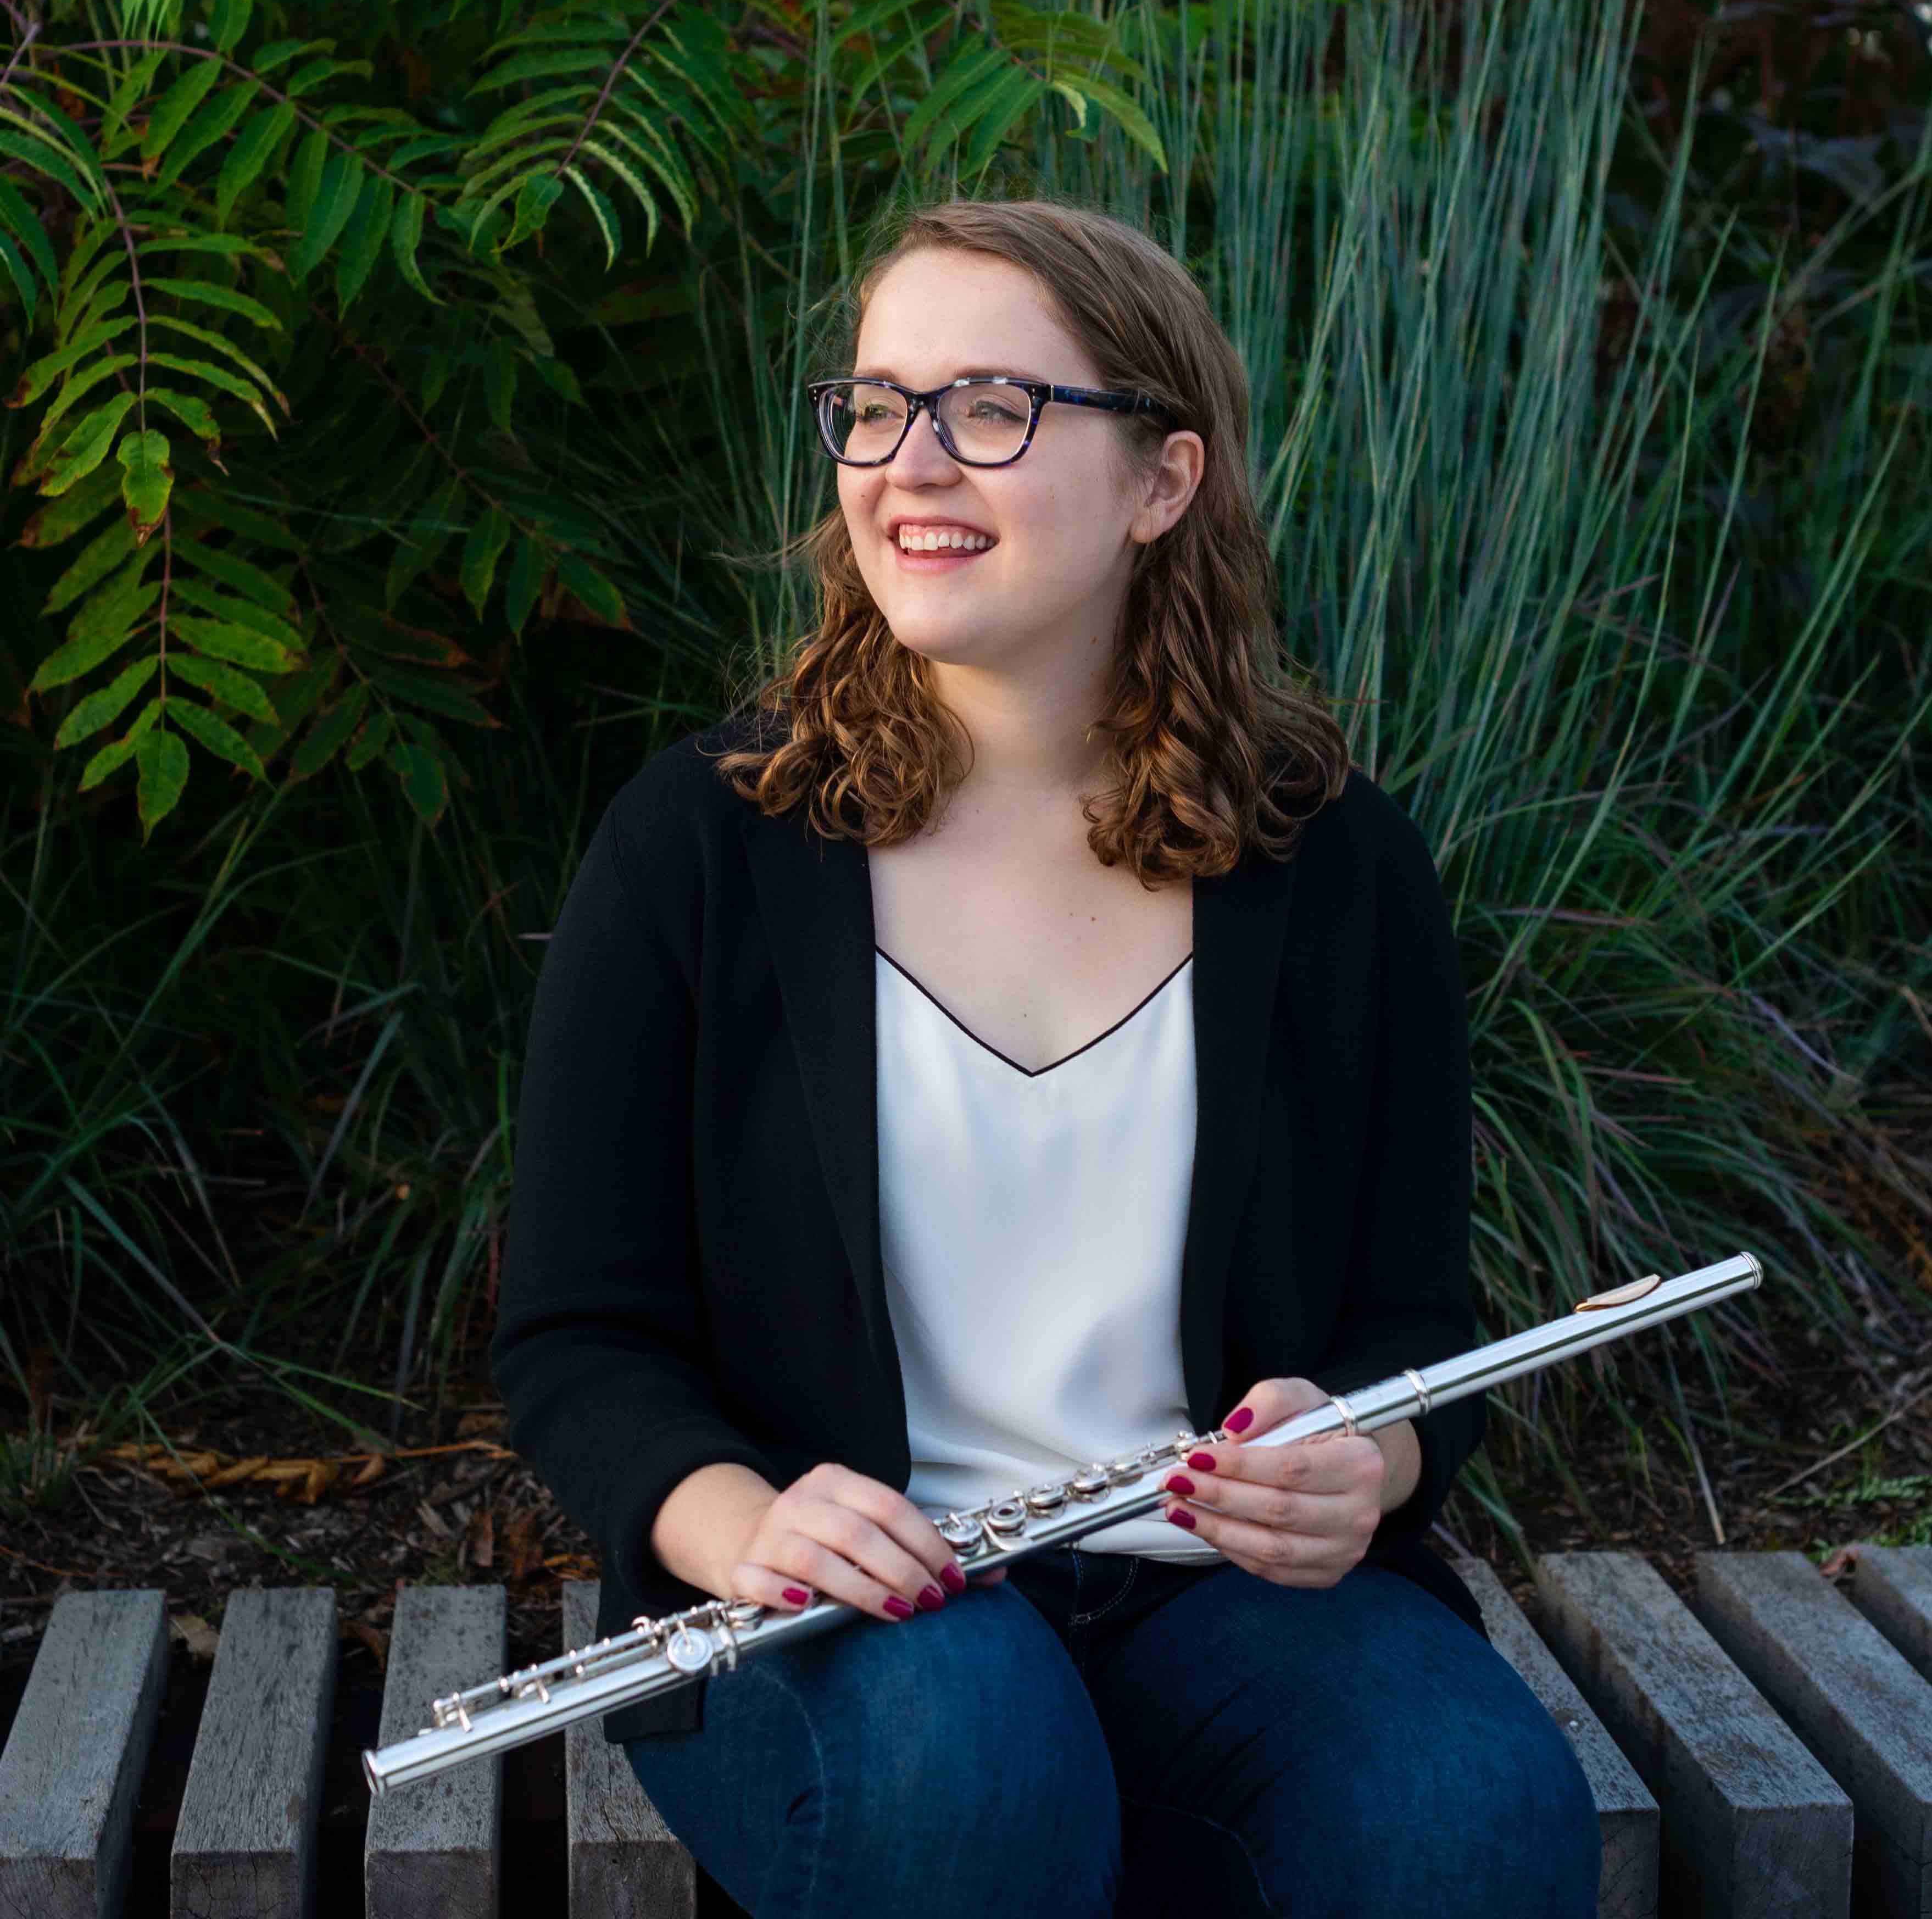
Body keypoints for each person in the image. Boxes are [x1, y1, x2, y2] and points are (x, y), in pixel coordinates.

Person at [489, 194, 1602, 1918]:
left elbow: (1408, 1328)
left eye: (991, 408)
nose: (908, 464)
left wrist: (1367, 1462)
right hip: (847, 1620)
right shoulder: (697, 846)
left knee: (1469, 1816)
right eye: (874, 405)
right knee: (970, 1770)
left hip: (1218, 1598)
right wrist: (735, 1523)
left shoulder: (1337, 866)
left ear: (1164, 481)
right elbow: (576, 1333)